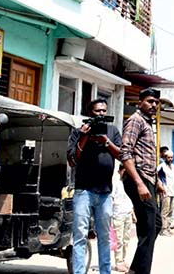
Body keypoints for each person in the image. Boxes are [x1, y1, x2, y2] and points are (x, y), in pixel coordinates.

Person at [66, 98, 123, 274]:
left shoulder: (112, 131)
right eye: (98, 111)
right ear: (89, 113)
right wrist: (84, 137)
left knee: (104, 237)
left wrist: (105, 141)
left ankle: (105, 272)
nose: (101, 114)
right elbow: (72, 160)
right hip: (83, 191)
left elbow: (122, 155)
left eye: (104, 111)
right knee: (80, 235)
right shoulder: (79, 132)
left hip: (105, 192)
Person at [120, 88, 162, 274]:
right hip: (138, 179)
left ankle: (135, 269)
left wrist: (157, 181)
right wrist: (139, 183)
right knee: (149, 228)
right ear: (140, 102)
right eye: (150, 101)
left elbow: (147, 155)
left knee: (155, 225)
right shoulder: (135, 121)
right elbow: (125, 152)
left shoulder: (148, 122)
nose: (154, 105)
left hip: (148, 179)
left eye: (156, 102)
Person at [111, 164, 135, 272]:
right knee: (119, 240)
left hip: (128, 213)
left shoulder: (129, 184)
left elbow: (131, 200)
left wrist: (133, 214)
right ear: (120, 171)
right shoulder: (115, 183)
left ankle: (123, 259)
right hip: (118, 215)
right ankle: (118, 262)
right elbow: (111, 199)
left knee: (126, 239)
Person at [157, 149, 174, 236]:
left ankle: (168, 228)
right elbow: (155, 174)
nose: (170, 159)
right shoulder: (162, 166)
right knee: (164, 211)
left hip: (172, 191)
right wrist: (160, 185)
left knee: (170, 211)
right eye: (168, 157)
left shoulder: (173, 167)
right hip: (165, 192)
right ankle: (163, 229)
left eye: (171, 157)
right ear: (165, 158)